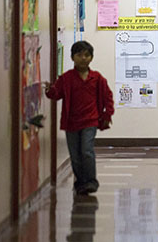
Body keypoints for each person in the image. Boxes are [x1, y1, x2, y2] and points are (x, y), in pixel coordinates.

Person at [43, 41, 114, 195]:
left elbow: (108, 96)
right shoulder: (67, 78)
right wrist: (49, 90)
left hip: (90, 121)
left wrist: (107, 114)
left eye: (87, 55)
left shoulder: (97, 78)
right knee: (75, 154)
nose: (83, 58)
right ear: (72, 57)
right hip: (71, 122)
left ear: (91, 58)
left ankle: (91, 181)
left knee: (87, 150)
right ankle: (80, 182)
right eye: (79, 55)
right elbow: (57, 94)